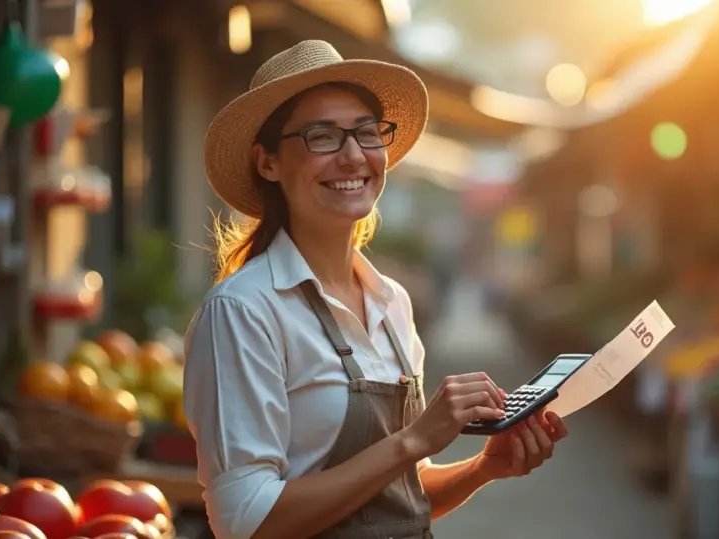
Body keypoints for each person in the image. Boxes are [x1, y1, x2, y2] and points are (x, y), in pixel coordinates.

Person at [183, 40, 569, 539]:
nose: (352, 156)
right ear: (268, 162)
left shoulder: (392, 302)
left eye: (367, 133)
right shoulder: (243, 311)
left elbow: (397, 493)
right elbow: (246, 521)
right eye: (321, 136)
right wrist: (413, 440)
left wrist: (483, 468)